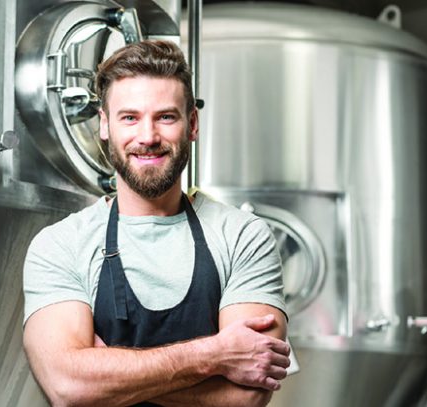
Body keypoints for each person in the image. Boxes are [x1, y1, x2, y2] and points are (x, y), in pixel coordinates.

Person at [22, 40, 290, 407]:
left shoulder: (243, 236)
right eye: (129, 117)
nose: (147, 137)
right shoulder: (60, 244)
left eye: (165, 117)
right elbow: (69, 387)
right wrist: (214, 355)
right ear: (105, 125)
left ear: (192, 123)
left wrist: (109, 372)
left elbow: (244, 397)